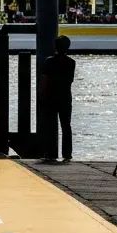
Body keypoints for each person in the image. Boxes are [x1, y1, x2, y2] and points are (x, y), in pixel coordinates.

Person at [39, 34, 75, 163]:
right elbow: (70, 80)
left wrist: (42, 95)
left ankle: (50, 153)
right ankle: (67, 154)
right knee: (66, 126)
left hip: (51, 97)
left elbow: (45, 80)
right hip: (65, 97)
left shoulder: (49, 61)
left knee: (50, 126)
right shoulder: (71, 62)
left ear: (55, 47)